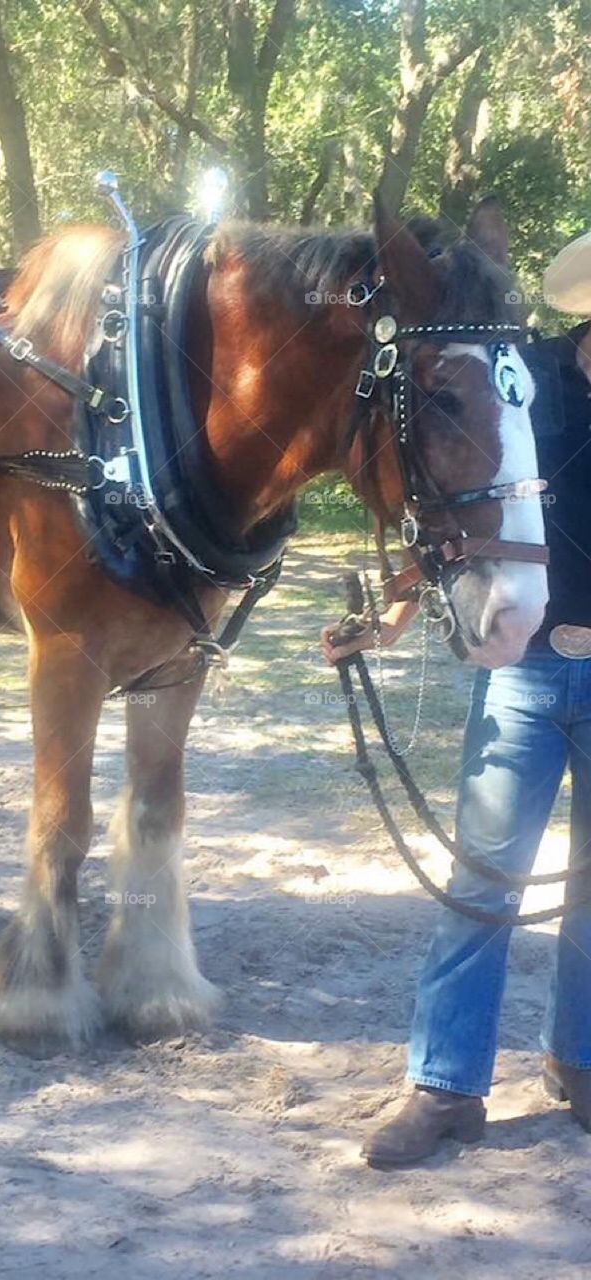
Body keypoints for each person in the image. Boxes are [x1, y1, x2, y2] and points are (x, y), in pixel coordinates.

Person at [321, 231, 591, 1170]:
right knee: (483, 883)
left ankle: (580, 1061)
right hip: (523, 673)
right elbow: (455, 509)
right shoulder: (520, 376)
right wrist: (389, 616)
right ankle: (444, 1085)